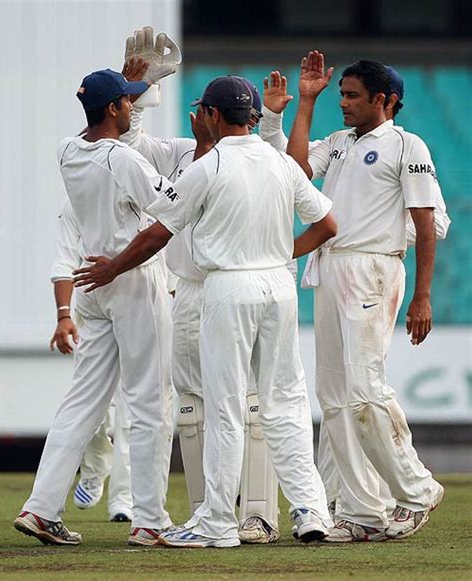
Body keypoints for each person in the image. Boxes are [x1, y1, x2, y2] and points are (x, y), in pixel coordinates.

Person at [73, 75, 338, 549]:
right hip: (278, 287)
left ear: (213, 116)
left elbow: (158, 233)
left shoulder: (209, 165)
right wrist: (277, 255)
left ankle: (217, 521)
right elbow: (327, 224)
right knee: (286, 402)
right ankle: (310, 510)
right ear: (252, 115)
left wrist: (113, 267)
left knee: (226, 406)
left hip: (228, 288)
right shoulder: (280, 163)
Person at [261, 51, 444, 542]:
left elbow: (425, 226)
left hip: (374, 267)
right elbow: (296, 170)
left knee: (365, 391)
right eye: (340, 95)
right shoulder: (340, 142)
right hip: (331, 264)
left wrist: (421, 296)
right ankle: (363, 512)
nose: (342, 103)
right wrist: (304, 103)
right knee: (336, 398)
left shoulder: (407, 144)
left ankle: (417, 489)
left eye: (351, 96)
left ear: (382, 100)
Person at [14, 69, 176, 546]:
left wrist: (126, 82)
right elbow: (172, 214)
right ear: (113, 109)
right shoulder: (123, 160)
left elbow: (107, 127)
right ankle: (149, 521)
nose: (133, 107)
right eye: (128, 102)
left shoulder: (67, 150)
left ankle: (41, 508)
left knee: (82, 402)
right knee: (150, 403)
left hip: (91, 283)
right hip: (127, 277)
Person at [122, 68, 282, 543]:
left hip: (235, 285)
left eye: (204, 109)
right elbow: (127, 143)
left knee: (249, 402)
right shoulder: (176, 152)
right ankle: (205, 512)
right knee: (193, 404)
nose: (196, 117)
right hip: (188, 291)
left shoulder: (260, 157)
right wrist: (136, 87)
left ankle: (259, 514)